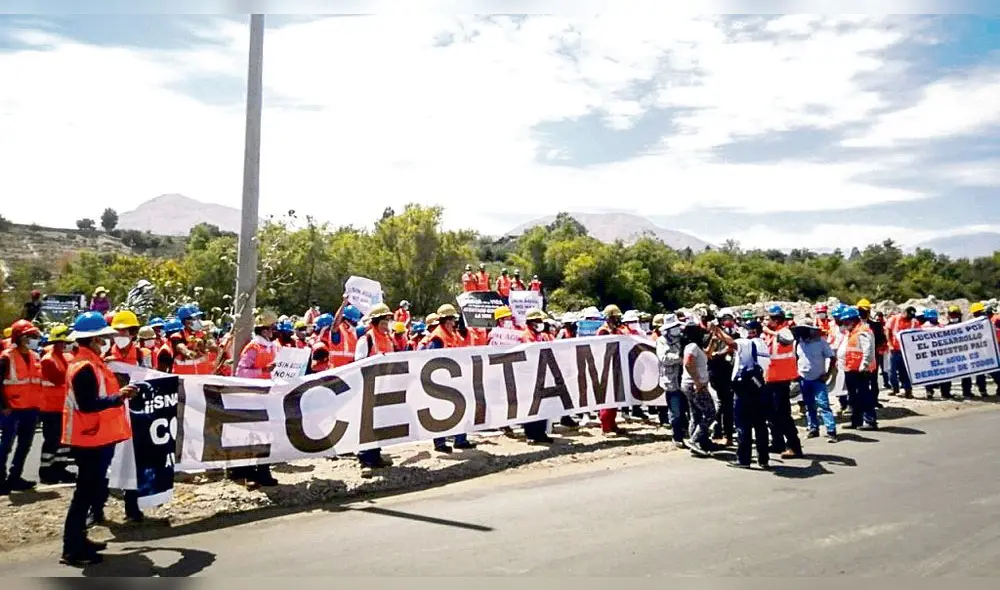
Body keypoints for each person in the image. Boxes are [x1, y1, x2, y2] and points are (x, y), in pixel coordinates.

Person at [60, 311, 137, 566]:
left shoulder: (92, 363)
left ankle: (79, 540)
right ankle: (72, 547)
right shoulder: (84, 367)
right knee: (85, 493)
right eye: (101, 338)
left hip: (96, 436)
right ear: (92, 339)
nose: (104, 342)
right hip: (89, 438)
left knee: (89, 491)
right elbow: (88, 404)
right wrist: (120, 397)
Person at [231, 311, 280, 488]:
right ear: (264, 330)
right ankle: (246, 473)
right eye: (272, 328)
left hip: (267, 397)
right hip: (251, 398)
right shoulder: (253, 348)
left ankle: (264, 471)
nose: (274, 331)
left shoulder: (273, 347)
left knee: (265, 437)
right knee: (250, 437)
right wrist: (264, 371)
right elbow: (241, 372)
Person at [421, 304, 479, 451]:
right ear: (446, 320)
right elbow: (431, 359)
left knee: (461, 408)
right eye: (452, 320)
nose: (454, 323)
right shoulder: (438, 337)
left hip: (453, 379)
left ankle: (460, 439)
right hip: (440, 381)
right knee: (439, 412)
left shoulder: (452, 334)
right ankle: (440, 443)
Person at [354, 303, 397, 476]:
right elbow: (359, 364)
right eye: (384, 321)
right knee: (367, 424)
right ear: (376, 322)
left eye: (388, 321)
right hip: (368, 387)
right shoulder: (366, 339)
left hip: (384, 386)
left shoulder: (388, 338)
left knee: (379, 423)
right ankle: (365, 458)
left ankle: (376, 455)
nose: (387, 325)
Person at [0, 319, 43, 495]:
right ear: (20, 337)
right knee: (6, 445)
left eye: (35, 336)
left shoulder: (35, 356)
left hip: (30, 408)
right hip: (12, 409)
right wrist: (3, 405)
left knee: (25, 445)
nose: (34, 339)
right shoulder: (6, 357)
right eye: (30, 336)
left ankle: (15, 477)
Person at [762, 305, 804, 459]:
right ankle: (777, 442)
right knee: (770, 412)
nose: (767, 321)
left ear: (776, 319)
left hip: (782, 380)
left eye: (770, 319)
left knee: (783, 414)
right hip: (771, 379)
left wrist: (770, 331)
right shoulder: (771, 335)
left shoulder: (784, 331)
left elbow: (787, 339)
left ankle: (794, 446)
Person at [729, 320, 772, 469]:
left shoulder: (747, 343)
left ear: (752, 331)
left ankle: (744, 459)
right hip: (760, 387)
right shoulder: (763, 344)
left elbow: (730, 342)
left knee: (743, 425)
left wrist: (716, 331)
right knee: (760, 425)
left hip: (745, 389)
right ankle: (764, 459)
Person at [38, 324, 76, 484]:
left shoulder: (66, 357)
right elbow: (59, 378)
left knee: (64, 440)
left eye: (65, 342)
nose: (64, 344)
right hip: (50, 407)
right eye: (61, 342)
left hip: (64, 406)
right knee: (51, 440)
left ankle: (60, 468)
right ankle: (46, 470)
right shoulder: (48, 359)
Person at [793, 319, 838, 442]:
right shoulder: (798, 343)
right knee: (809, 405)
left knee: (823, 405)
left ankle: (831, 430)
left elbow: (833, 358)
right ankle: (813, 428)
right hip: (804, 379)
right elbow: (795, 359)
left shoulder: (821, 343)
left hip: (818, 379)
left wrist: (828, 374)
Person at [518, 308, 556, 444]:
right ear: (531, 322)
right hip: (529, 376)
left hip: (543, 373)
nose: (541, 323)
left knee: (543, 405)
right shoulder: (525, 336)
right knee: (531, 406)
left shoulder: (542, 336)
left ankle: (541, 433)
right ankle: (530, 434)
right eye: (538, 321)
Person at [680, 321, 717, 457]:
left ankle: (697, 442)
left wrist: (713, 340)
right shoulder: (692, 346)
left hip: (692, 384)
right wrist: (697, 381)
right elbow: (688, 363)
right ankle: (694, 440)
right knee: (710, 413)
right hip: (694, 385)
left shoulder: (696, 347)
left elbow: (706, 355)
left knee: (695, 414)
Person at [840, 307, 878, 430]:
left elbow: (867, 351)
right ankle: (856, 421)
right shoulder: (852, 331)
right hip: (851, 369)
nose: (845, 324)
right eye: (844, 322)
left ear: (854, 320)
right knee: (853, 397)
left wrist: (864, 366)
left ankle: (870, 421)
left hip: (861, 370)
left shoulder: (863, 331)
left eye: (847, 321)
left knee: (864, 395)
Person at [596, 305, 630, 436]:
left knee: (616, 399)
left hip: (617, 367)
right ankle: (606, 427)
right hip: (607, 367)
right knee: (607, 398)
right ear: (609, 317)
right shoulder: (603, 331)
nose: (618, 319)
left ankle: (612, 423)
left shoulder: (618, 330)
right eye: (616, 317)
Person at [655, 314, 688, 449]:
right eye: (673, 327)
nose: (676, 329)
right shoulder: (662, 341)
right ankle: (677, 436)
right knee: (675, 411)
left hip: (685, 377)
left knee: (686, 408)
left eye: (677, 326)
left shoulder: (683, 339)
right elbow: (664, 358)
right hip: (671, 380)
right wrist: (680, 358)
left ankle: (687, 431)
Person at [709, 310, 737, 446]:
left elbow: (732, 346)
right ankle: (718, 432)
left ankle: (728, 435)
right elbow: (708, 351)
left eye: (729, 318)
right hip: (716, 372)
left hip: (730, 372)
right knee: (719, 404)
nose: (727, 322)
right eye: (724, 319)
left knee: (726, 405)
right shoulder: (713, 334)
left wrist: (720, 354)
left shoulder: (737, 333)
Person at [857, 299, 887, 406]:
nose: (862, 313)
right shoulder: (855, 325)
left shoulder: (876, 325)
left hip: (873, 356)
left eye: (864, 311)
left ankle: (874, 400)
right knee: (859, 379)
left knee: (873, 379)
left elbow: (882, 339)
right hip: (858, 356)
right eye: (860, 311)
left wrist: (880, 349)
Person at [886, 306, 917, 398]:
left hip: (905, 351)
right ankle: (895, 388)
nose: (909, 318)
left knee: (905, 371)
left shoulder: (913, 321)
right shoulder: (894, 319)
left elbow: (918, 332)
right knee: (892, 371)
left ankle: (908, 390)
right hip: (894, 349)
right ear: (904, 312)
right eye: (908, 316)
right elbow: (887, 330)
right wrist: (890, 343)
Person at [970, 302, 1000, 396]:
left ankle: (984, 389)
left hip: (992, 348)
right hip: (984, 349)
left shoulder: (994, 320)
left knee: (993, 370)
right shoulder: (982, 321)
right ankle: (983, 390)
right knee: (983, 371)